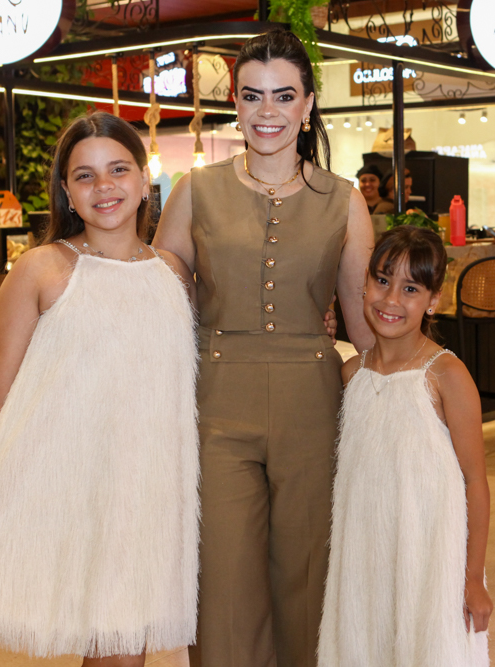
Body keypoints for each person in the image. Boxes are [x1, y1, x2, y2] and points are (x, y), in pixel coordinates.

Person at [0, 111, 199, 666]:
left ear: (142, 179)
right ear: (65, 189)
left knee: (123, 646)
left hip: (157, 489)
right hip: (77, 488)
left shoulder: (175, 272)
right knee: (114, 646)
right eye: (84, 176)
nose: (104, 187)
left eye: (118, 169)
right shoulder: (42, 269)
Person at [153, 29, 375, 667]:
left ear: (308, 105)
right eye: (252, 96)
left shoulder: (344, 200)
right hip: (215, 406)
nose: (267, 112)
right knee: (221, 583)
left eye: (283, 96)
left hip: (314, 403)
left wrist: (414, 394)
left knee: (307, 577)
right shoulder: (195, 188)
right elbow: (159, 300)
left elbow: (364, 326)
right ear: (237, 105)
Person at [319, 226, 491, 666]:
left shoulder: (445, 375)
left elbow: (475, 481)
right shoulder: (352, 374)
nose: (391, 299)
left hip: (430, 555)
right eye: (381, 280)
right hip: (365, 555)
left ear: (434, 299)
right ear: (363, 284)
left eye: (410, 288)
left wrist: (472, 578)